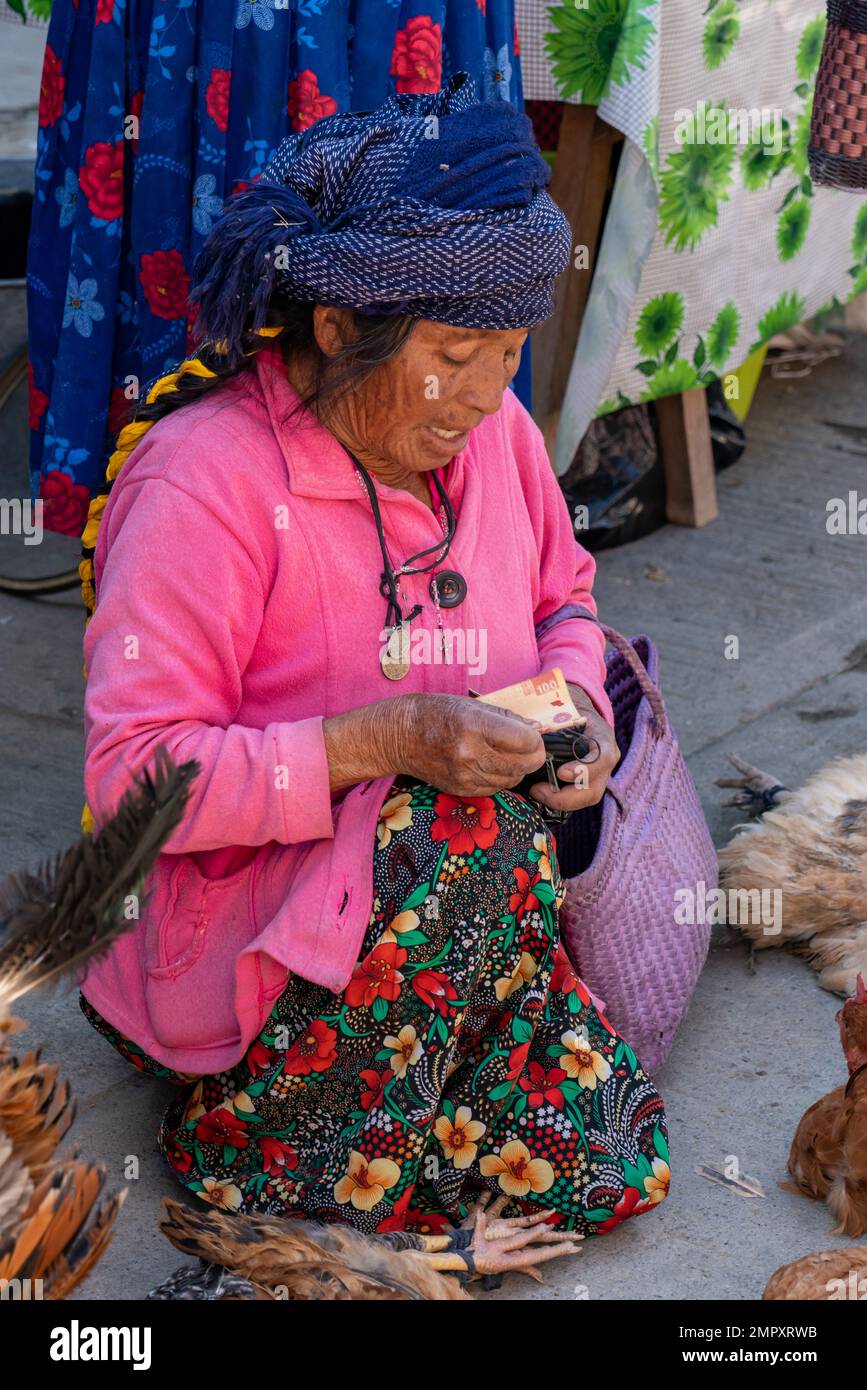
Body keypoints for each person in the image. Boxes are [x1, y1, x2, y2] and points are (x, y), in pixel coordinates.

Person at [78, 75, 670, 1274]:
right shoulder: (206, 485)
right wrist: (371, 742)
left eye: (511, 354)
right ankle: (265, 1145)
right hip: (241, 947)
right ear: (340, 330)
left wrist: (573, 713)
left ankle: (397, 1120)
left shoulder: (490, 429)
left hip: (432, 929)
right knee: (455, 829)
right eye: (454, 357)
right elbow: (134, 774)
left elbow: (566, 598)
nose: (490, 396)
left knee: (605, 1164)